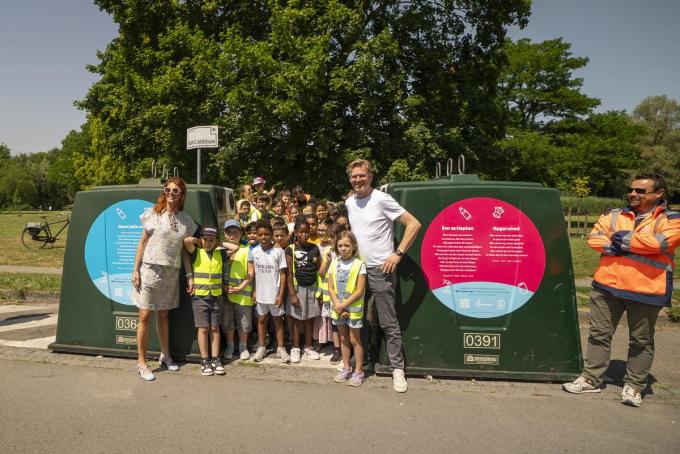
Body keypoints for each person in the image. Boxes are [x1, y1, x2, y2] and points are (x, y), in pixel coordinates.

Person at [563, 173, 680, 407]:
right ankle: (591, 378)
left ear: (659, 193)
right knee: (599, 335)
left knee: (641, 341)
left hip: (646, 290)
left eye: (640, 191)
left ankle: (634, 385)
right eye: (631, 189)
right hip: (607, 287)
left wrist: (619, 239)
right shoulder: (614, 214)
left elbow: (660, 243)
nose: (633, 194)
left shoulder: (672, 219)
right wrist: (635, 244)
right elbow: (594, 239)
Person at [344, 159, 421, 393]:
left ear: (371, 177)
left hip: (381, 269)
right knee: (358, 320)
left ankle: (397, 369)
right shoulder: (349, 202)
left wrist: (398, 254)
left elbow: (414, 224)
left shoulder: (381, 199)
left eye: (362, 175)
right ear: (350, 179)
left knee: (388, 321)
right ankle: (361, 364)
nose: (358, 179)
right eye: (354, 176)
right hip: (357, 268)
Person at [131, 177, 198, 381]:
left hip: (171, 273)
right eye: (167, 189)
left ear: (182, 194)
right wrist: (135, 270)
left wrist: (189, 275)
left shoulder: (186, 220)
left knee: (163, 316)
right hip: (149, 270)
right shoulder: (153, 213)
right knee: (144, 316)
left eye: (175, 190)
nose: (170, 193)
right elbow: (142, 243)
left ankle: (165, 355)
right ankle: (141, 362)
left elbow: (185, 251)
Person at [183, 226, 234, 376]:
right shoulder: (197, 252)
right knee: (203, 328)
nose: (208, 242)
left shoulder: (220, 253)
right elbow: (186, 241)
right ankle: (205, 360)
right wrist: (198, 241)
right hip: (200, 297)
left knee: (215, 328)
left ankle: (216, 359)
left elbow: (235, 248)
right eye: (205, 239)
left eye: (211, 240)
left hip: (216, 296)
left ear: (216, 241)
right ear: (201, 239)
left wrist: (220, 243)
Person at [328, 230, 367, 386]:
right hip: (337, 307)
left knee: (354, 339)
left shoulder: (359, 265)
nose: (343, 248)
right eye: (340, 246)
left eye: (347, 245)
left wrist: (343, 304)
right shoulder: (334, 263)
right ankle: (346, 367)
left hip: (353, 309)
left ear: (353, 247)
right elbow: (330, 287)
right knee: (343, 338)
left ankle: (359, 371)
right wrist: (337, 304)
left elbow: (359, 291)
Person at [249, 219, 290, 362]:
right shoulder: (254, 251)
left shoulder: (278, 252)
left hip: (275, 294)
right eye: (260, 234)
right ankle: (261, 347)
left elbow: (283, 274)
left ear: (271, 234)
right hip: (261, 293)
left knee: (278, 321)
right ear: (256, 235)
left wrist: (281, 294)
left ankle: (281, 348)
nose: (263, 237)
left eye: (266, 234)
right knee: (262, 320)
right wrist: (255, 291)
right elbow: (254, 274)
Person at [285, 218, 322, 363]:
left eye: (306, 232)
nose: (304, 234)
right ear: (295, 232)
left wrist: (320, 291)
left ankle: (308, 346)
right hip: (297, 288)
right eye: (301, 232)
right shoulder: (291, 249)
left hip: (312, 288)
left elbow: (319, 269)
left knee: (309, 319)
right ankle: (295, 348)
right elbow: (289, 273)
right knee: (296, 320)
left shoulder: (315, 248)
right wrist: (292, 294)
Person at [222, 220, 255, 361]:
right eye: (229, 232)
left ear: (241, 233)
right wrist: (223, 287)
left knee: (244, 322)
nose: (232, 234)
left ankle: (243, 346)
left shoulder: (247, 250)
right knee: (227, 321)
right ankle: (230, 346)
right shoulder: (221, 251)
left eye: (235, 231)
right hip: (226, 293)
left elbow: (251, 272)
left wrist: (241, 286)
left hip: (243, 293)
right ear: (224, 234)